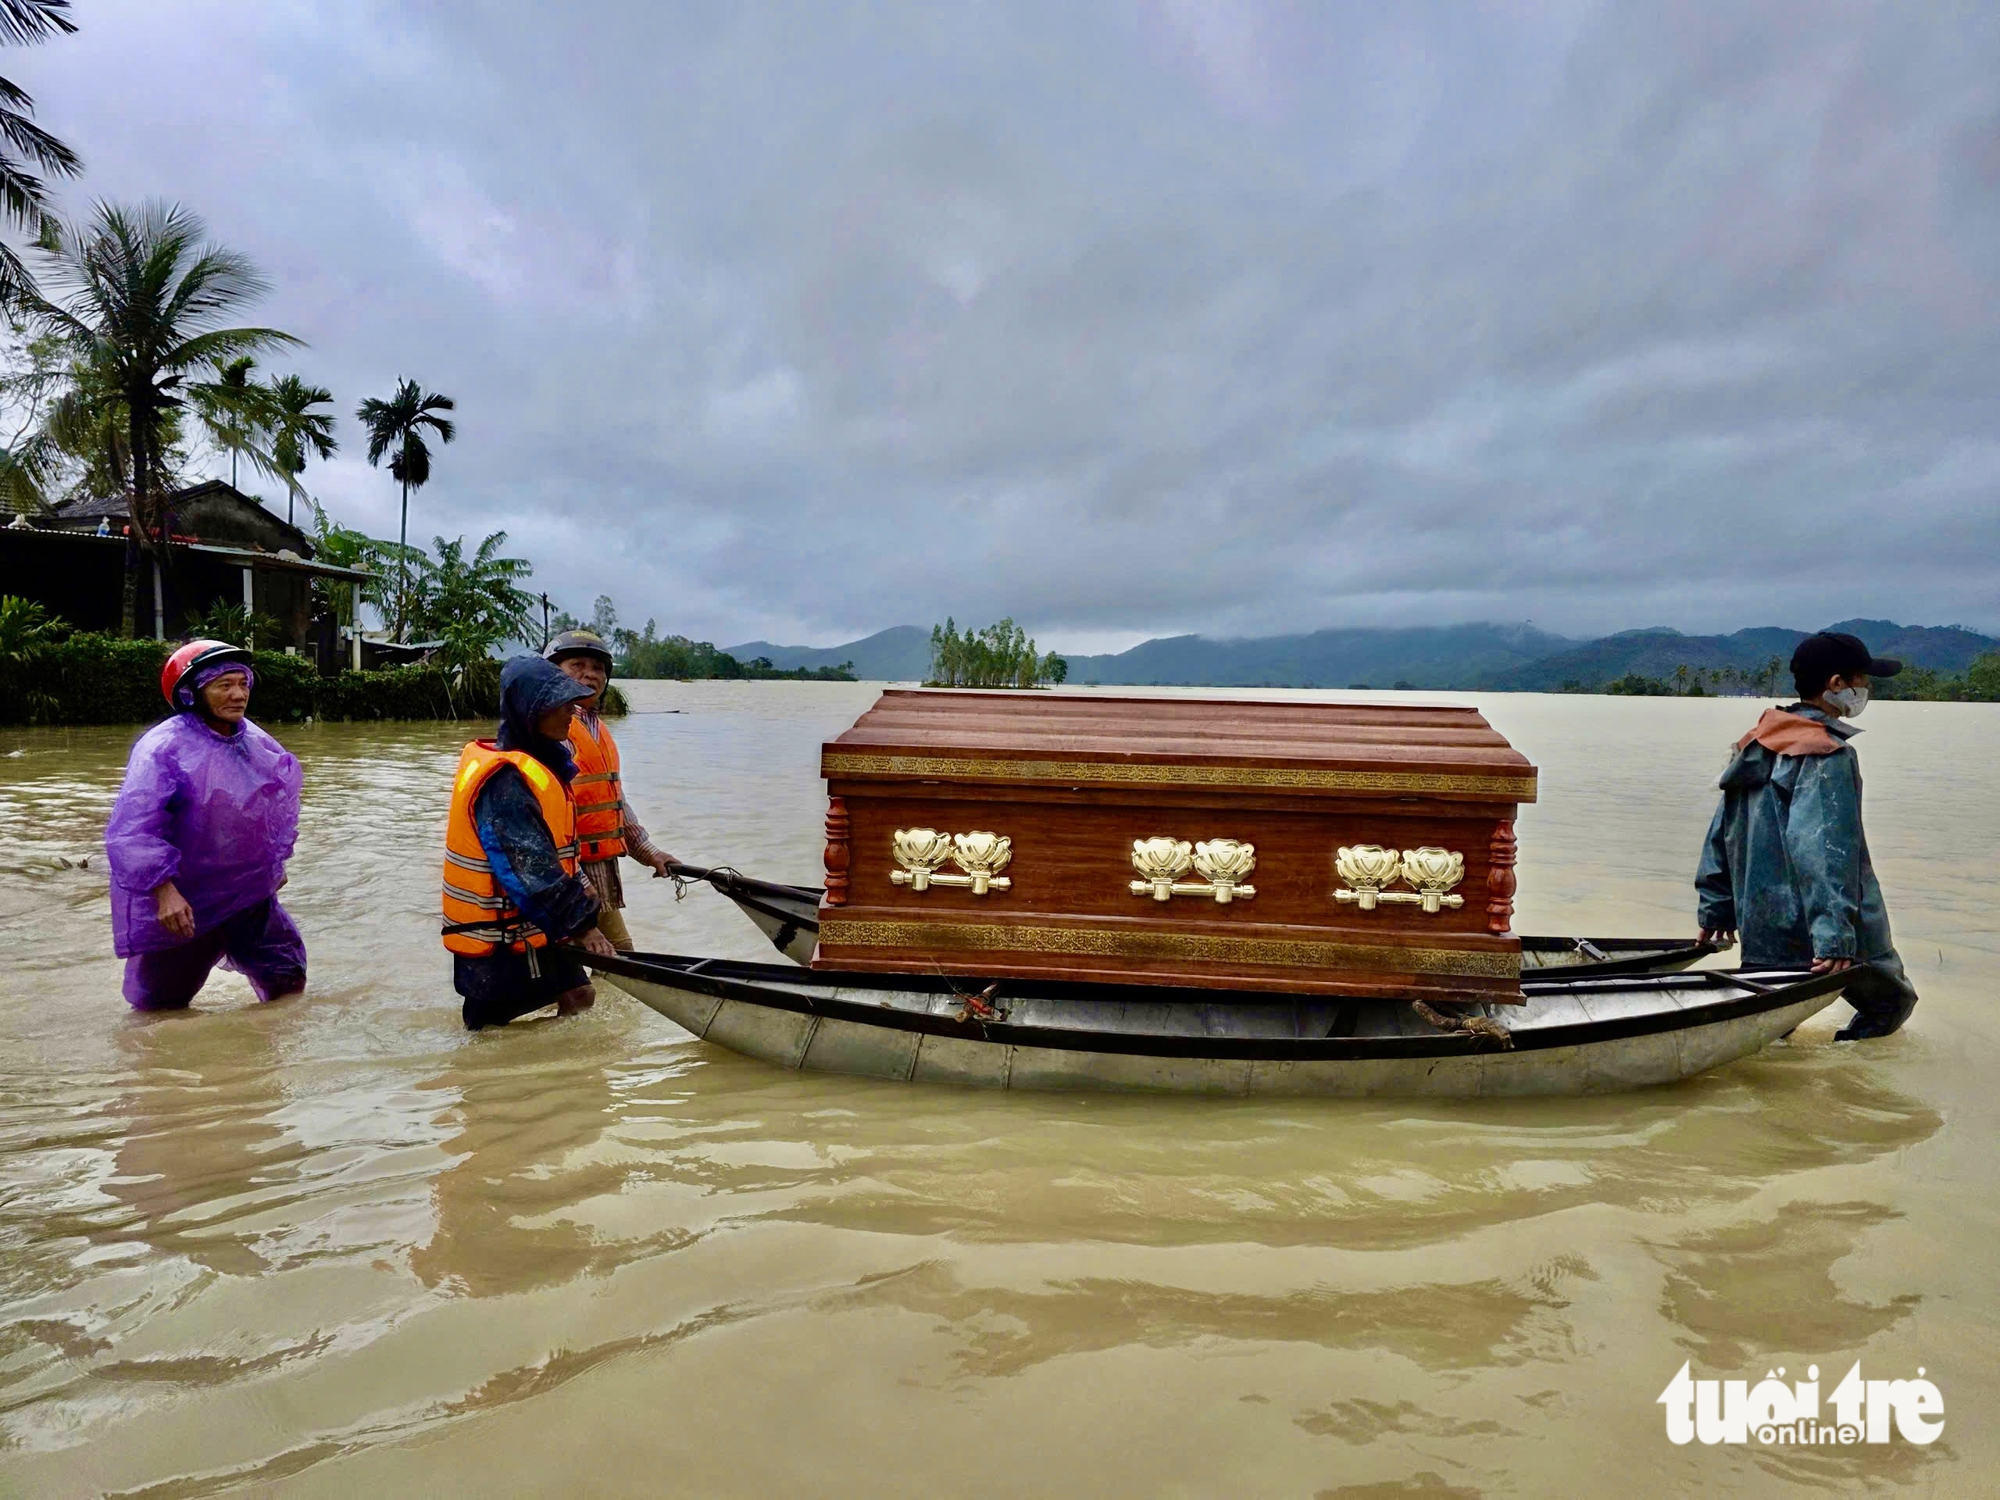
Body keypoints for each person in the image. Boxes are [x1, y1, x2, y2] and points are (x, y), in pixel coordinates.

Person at [1695, 630, 1918, 1040]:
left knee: (1771, 1017)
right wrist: (1835, 934)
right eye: (1863, 679)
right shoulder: (1827, 754)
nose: (1866, 689)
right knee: (1889, 1003)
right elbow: (1824, 848)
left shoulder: (1756, 743)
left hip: (1762, 919)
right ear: (1837, 684)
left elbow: (1721, 831)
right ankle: (1845, 1095)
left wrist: (1716, 906)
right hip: (1828, 923)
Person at [104, 639, 307, 1011]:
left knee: (287, 978)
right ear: (191, 692)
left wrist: (274, 866)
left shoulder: (254, 740)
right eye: (224, 685)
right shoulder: (162, 748)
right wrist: (164, 891)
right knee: (159, 1009)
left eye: (243, 683)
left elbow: (276, 805)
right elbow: (133, 829)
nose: (238, 694)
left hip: (248, 894)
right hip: (186, 900)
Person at [444, 655, 616, 1029]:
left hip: (538, 924)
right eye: (560, 704)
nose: (571, 712)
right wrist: (584, 926)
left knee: (580, 997)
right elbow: (530, 868)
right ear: (531, 711)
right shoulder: (506, 782)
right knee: (489, 1029)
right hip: (502, 937)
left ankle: (566, 1080)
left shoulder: (541, 763)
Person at [542, 629, 678, 952]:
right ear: (552, 671)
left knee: (619, 960)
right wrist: (576, 885)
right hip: (563, 875)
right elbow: (544, 818)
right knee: (582, 972)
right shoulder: (551, 728)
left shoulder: (597, 728)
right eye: (577, 665)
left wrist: (648, 851)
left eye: (598, 667)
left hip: (598, 869)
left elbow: (614, 801)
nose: (590, 675)